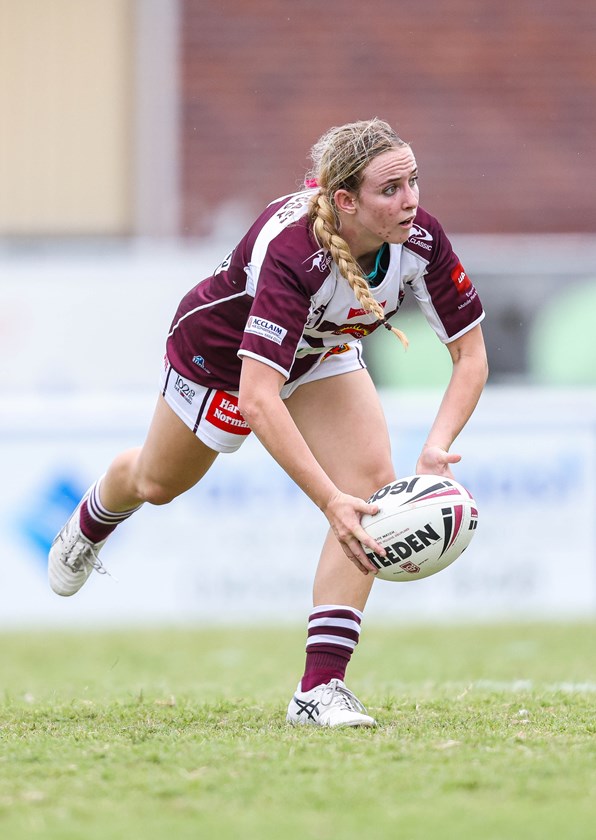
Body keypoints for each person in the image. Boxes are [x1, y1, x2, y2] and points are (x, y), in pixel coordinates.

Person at [49, 118, 488, 728]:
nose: (410, 199)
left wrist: (436, 449)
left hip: (321, 352)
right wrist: (328, 500)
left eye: (414, 181)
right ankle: (95, 515)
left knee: (370, 489)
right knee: (158, 484)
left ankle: (319, 689)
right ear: (345, 201)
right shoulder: (295, 252)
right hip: (221, 360)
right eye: (391, 189)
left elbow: (471, 356)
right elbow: (259, 399)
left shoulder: (421, 238)